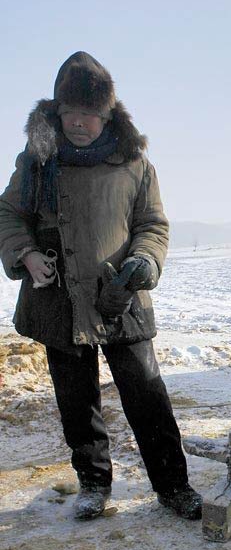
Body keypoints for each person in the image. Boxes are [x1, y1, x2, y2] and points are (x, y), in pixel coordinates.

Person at [0, 52, 202, 521]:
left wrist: (145, 261)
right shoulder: (36, 161)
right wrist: (25, 254)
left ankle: (173, 486)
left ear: (107, 113)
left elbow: (152, 223)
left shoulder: (134, 162)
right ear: (57, 111)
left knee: (147, 395)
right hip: (58, 298)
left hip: (120, 296)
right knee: (76, 401)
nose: (79, 123)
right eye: (70, 112)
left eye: (90, 114)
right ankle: (93, 483)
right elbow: (7, 213)